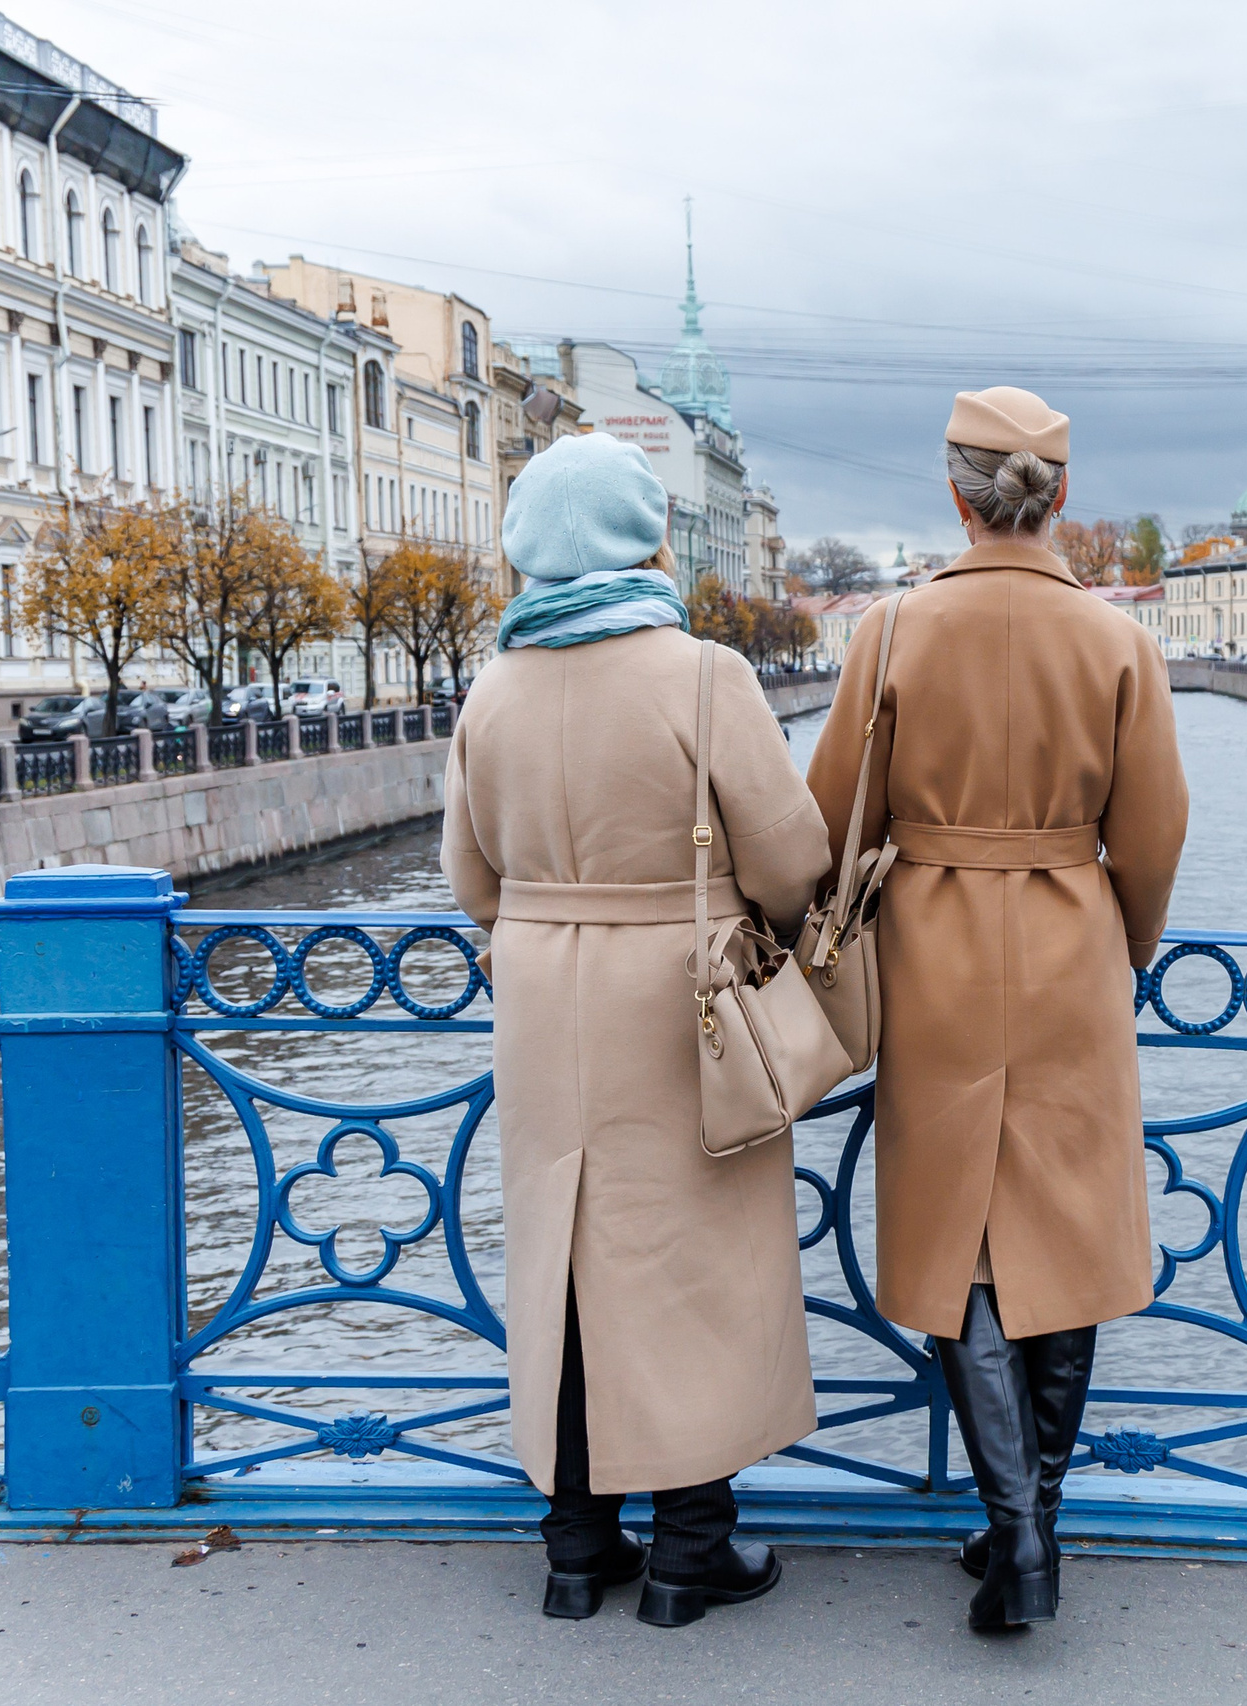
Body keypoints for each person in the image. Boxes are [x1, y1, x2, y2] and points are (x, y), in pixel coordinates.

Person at [806, 387, 1189, 1632]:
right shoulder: (1119, 642)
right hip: (1073, 946)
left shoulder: (893, 628)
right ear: (1059, 494)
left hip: (934, 957)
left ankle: (1016, 1529)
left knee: (958, 1240)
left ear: (955, 494)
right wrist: (1120, 944)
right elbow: (1154, 833)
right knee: (1065, 1234)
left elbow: (831, 816)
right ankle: (1036, 1519)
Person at [442, 433, 831, 1628]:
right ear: (645, 533)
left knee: (562, 1265)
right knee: (685, 1270)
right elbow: (791, 861)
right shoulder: (702, 675)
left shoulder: (493, 686)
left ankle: (575, 1548)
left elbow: (469, 876)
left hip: (540, 1001)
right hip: (680, 1002)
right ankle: (689, 1551)